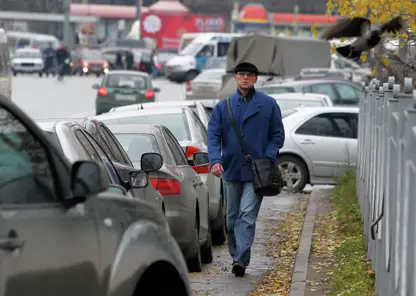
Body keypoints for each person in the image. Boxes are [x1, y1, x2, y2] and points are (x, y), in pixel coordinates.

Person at [207, 62, 285, 277]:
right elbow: (213, 136)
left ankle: (240, 259)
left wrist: (268, 157)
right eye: (241, 74)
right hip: (231, 169)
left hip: (257, 172)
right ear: (235, 77)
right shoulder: (224, 107)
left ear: (255, 79)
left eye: (250, 75)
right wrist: (215, 160)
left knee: (246, 215)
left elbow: (278, 135)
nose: (245, 78)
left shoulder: (268, 104)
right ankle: (237, 255)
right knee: (231, 219)